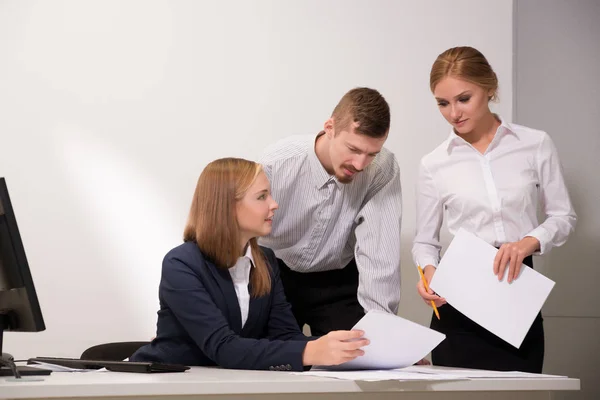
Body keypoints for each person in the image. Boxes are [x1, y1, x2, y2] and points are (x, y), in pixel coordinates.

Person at [412, 46, 577, 373]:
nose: (453, 113)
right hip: (457, 300)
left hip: (517, 293)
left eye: (463, 98)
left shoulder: (534, 144)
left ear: (489, 88)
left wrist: (527, 242)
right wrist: (429, 275)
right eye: (442, 103)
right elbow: (425, 242)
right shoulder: (434, 163)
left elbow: (563, 217)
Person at [130, 158, 369, 371]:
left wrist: (340, 347)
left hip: (227, 384)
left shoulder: (266, 261)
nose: (274, 204)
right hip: (168, 386)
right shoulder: (181, 264)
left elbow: (285, 336)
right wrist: (310, 351)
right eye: (262, 196)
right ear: (228, 207)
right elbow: (223, 347)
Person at [259, 87, 402, 336]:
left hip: (337, 282)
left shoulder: (382, 168)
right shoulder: (275, 163)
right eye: (354, 149)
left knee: (360, 355)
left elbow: (380, 251)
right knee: (267, 360)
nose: (360, 164)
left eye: (371, 154)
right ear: (330, 127)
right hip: (274, 276)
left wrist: (384, 332)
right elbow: (244, 235)